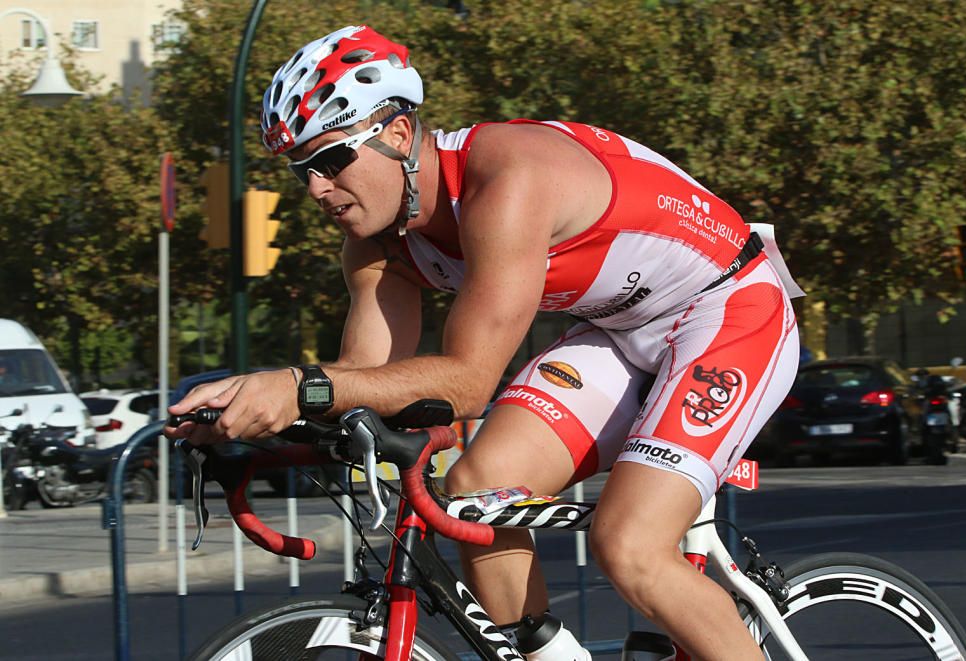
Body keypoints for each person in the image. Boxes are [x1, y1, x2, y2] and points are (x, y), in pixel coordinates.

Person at [166, 25, 802, 661]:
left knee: (630, 544)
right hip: (621, 330)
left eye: (331, 160)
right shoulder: (375, 242)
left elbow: (468, 383)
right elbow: (365, 379)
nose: (315, 188)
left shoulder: (507, 179)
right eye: (301, 169)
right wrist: (248, 417)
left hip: (730, 310)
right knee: (476, 493)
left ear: (396, 133)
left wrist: (298, 385)